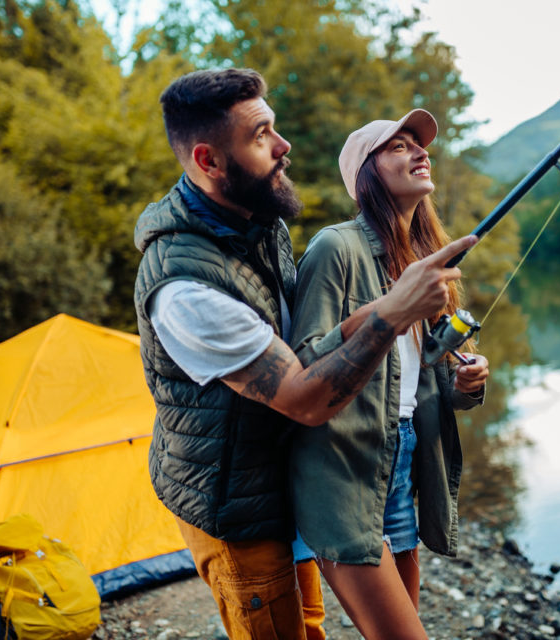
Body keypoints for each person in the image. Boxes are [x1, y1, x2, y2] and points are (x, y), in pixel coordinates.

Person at [133, 70, 477, 640]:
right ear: (208, 161)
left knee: (311, 625)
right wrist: (391, 314)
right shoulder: (184, 289)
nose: (283, 144)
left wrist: (397, 307)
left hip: (286, 473)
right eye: (262, 133)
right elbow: (303, 397)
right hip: (234, 504)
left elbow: (307, 343)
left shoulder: (254, 223)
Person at [289, 109, 490, 639]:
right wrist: (384, 312)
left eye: (419, 146)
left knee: (404, 626)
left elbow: (430, 379)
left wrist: (468, 382)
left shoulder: (425, 259)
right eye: (398, 147)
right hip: (344, 464)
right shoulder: (335, 248)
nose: (420, 152)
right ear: (366, 174)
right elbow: (305, 366)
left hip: (403, 458)